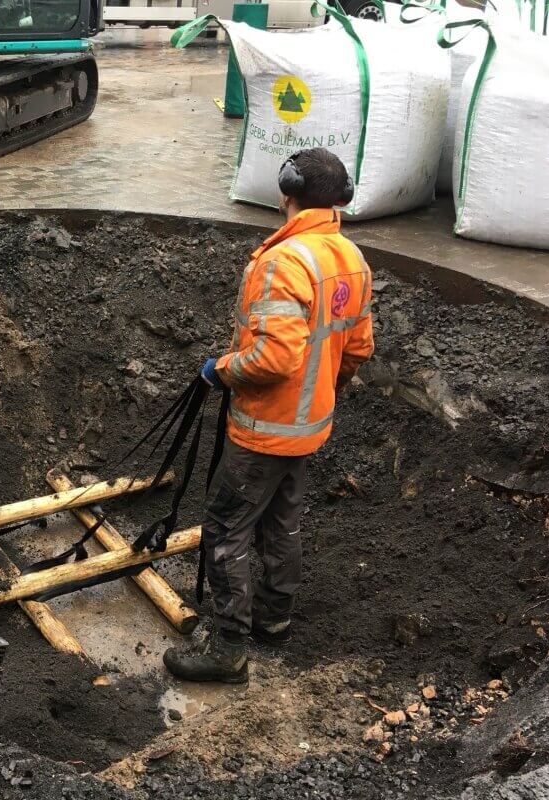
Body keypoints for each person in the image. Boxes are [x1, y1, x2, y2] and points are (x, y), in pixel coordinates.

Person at [163, 147, 375, 684]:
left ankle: (228, 650)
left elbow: (274, 357)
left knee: (225, 529)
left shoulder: (284, 262)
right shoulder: (350, 259)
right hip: (308, 428)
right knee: (281, 522)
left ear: (287, 194)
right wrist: (325, 390)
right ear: (338, 200)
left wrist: (221, 370)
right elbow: (357, 349)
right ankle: (275, 618)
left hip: (263, 431)